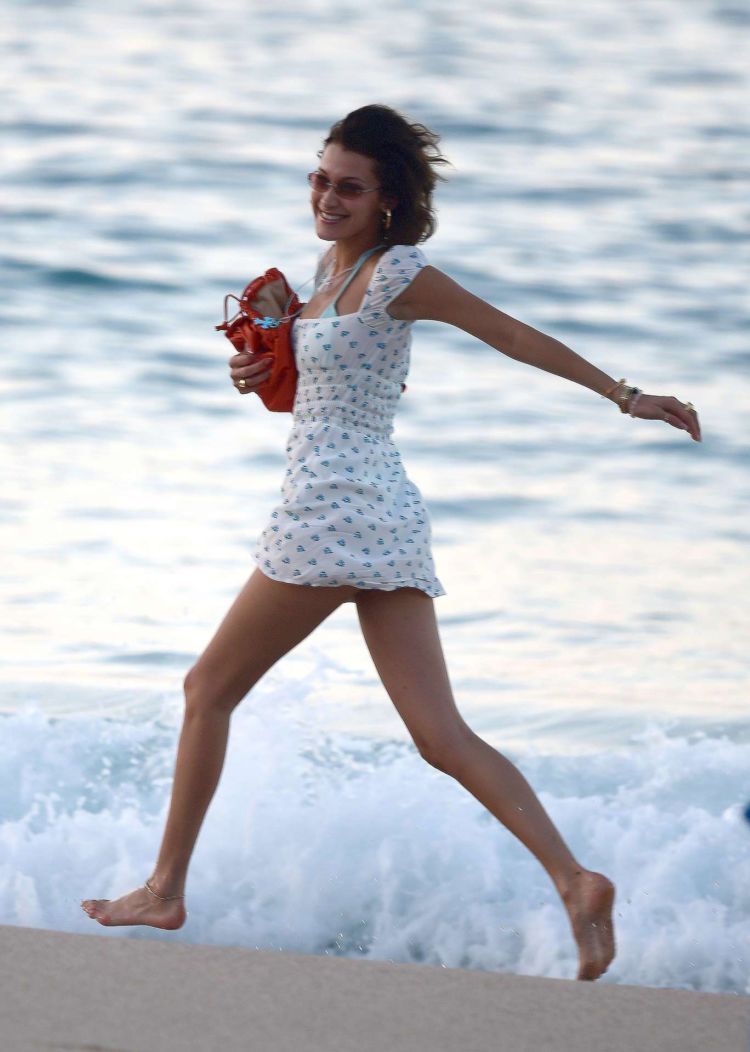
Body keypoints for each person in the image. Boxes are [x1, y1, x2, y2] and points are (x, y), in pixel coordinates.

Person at [81, 104, 702, 982]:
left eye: (349, 186)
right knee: (440, 736)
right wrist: (253, 368)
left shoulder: (400, 272)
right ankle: (574, 880)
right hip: (375, 511)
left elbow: (511, 334)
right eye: (320, 178)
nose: (327, 197)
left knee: (206, 688)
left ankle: (163, 887)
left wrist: (623, 394)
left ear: (388, 199)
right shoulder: (326, 274)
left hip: (333, 510)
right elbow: (316, 395)